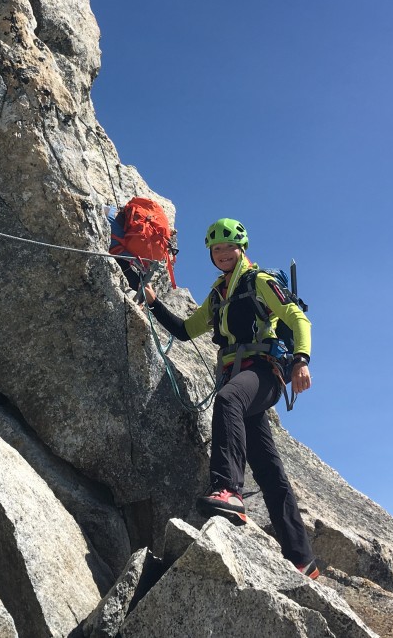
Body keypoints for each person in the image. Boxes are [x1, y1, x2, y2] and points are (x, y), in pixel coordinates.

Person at [136, 217, 320, 579]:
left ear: (242, 248)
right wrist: (153, 303)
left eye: (228, 247)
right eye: (216, 249)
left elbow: (298, 319)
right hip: (240, 377)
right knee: (269, 471)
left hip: (264, 372)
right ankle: (303, 560)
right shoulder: (219, 295)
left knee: (228, 400)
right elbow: (186, 330)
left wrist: (301, 360)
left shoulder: (259, 281)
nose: (222, 254)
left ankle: (228, 489)